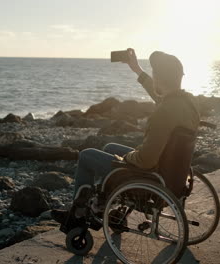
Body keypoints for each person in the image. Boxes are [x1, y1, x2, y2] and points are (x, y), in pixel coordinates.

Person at [51, 48, 200, 226]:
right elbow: (160, 96)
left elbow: (145, 160)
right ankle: (103, 205)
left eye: (155, 75)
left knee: (86, 155)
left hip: (152, 176)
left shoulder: (164, 112)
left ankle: (77, 216)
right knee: (110, 148)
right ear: (179, 76)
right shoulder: (186, 103)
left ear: (159, 79)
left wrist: (126, 158)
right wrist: (136, 69)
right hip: (173, 174)